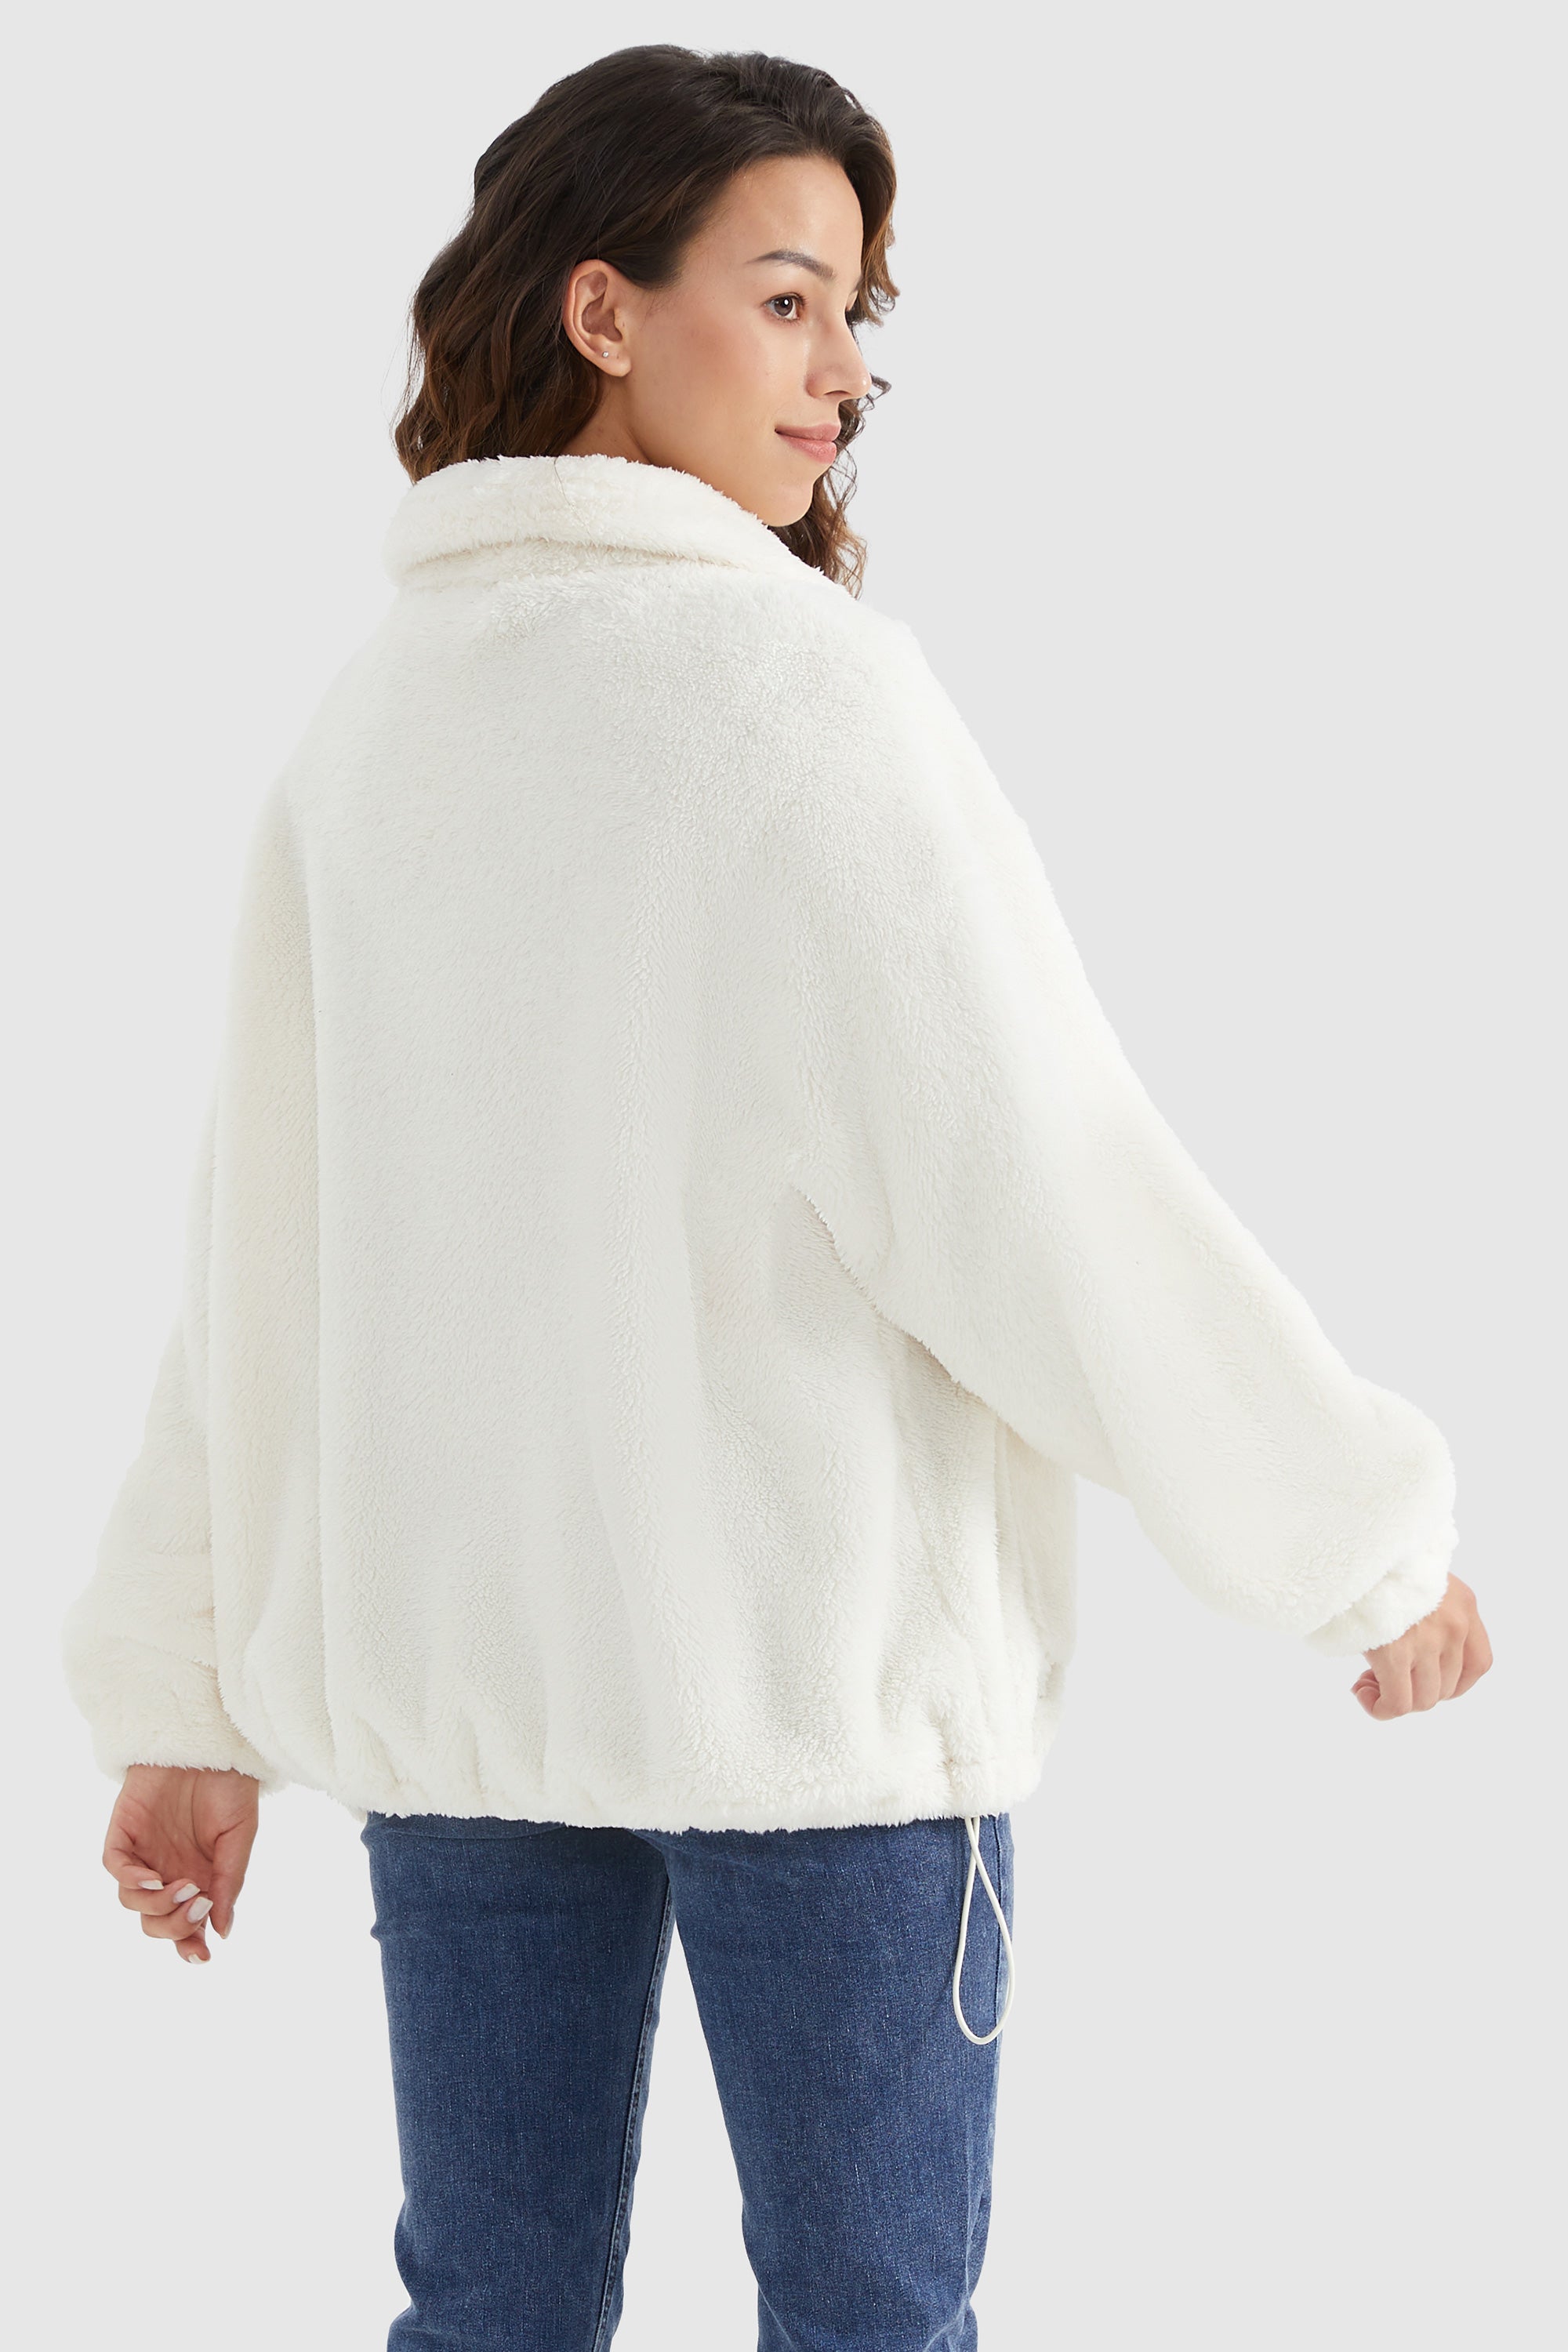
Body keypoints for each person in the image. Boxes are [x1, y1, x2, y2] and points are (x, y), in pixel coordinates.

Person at [60, 42, 1492, 2352]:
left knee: (491, 2317)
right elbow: (1047, 1196)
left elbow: (258, 1258)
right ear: (604, 310)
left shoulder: (373, 726)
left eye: (858, 317)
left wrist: (186, 1694)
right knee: (869, 2324)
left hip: (471, 1714)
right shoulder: (802, 707)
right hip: (813, 1718)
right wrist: (1359, 1546)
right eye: (790, 298)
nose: (847, 376)